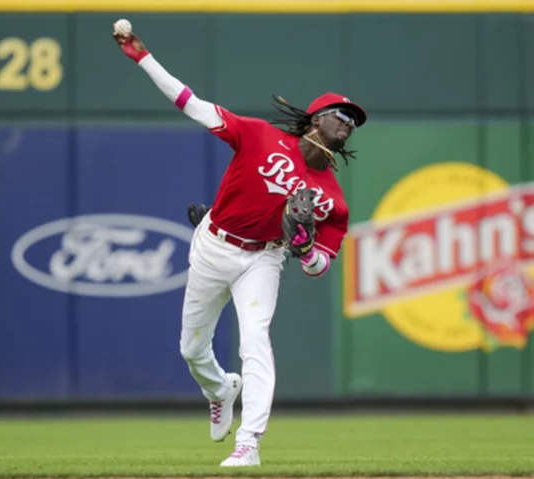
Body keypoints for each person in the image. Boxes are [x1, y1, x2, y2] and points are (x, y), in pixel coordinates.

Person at [113, 22, 366, 467]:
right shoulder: (257, 135)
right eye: (341, 115)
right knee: (191, 349)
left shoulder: (333, 199)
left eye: (354, 121)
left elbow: (322, 263)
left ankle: (248, 443)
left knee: (255, 341)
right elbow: (189, 103)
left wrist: (305, 250)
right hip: (213, 246)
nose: (348, 123)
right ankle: (220, 389)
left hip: (262, 260)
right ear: (315, 118)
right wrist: (142, 57)